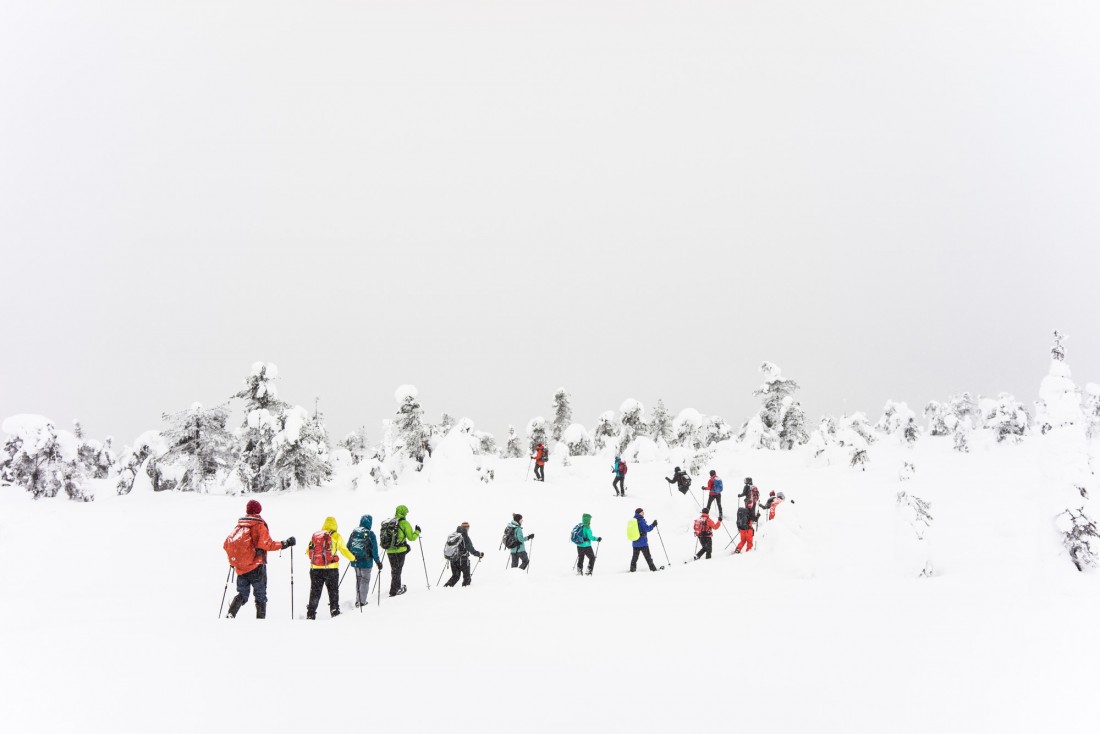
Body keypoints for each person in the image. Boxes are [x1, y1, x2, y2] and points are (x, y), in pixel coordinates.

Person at [223, 499, 295, 619]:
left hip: (241, 567)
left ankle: (231, 614)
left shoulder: (240, 525)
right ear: (258, 510)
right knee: (260, 595)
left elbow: (226, 545)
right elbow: (267, 544)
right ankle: (260, 622)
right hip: (257, 566)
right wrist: (285, 544)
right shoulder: (259, 524)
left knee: (242, 594)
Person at [305, 516, 356, 620]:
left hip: (315, 569)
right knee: (333, 591)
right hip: (331, 569)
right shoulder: (336, 536)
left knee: (315, 592)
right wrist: (353, 558)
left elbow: (308, 552)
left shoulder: (316, 536)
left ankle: (311, 613)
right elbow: (344, 550)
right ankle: (334, 611)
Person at [385, 504, 421, 597]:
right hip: (399, 550)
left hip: (389, 550)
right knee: (397, 570)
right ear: (404, 513)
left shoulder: (390, 522)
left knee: (394, 569)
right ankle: (394, 590)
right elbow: (411, 538)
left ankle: (396, 587)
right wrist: (417, 531)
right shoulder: (404, 523)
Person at [348, 514, 383, 607]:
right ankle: (361, 601)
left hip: (355, 561)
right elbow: (374, 550)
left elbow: (348, 546)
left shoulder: (354, 532)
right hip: (366, 562)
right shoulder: (370, 534)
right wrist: (378, 562)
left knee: (359, 579)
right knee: (365, 580)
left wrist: (352, 557)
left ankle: (358, 600)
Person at [443, 522, 485, 587]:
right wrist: (479, 554)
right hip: (463, 560)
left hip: (453, 559)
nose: (468, 529)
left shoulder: (454, 534)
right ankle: (465, 593)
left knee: (455, 577)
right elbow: (471, 549)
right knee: (467, 578)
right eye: (467, 528)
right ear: (466, 528)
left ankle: (445, 588)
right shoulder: (465, 537)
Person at [629, 508, 660, 572]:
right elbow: (647, 529)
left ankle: (632, 569)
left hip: (635, 543)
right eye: (642, 512)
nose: (643, 513)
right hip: (643, 543)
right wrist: (653, 524)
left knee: (634, 558)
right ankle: (653, 569)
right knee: (648, 557)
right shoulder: (641, 521)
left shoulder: (633, 520)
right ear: (639, 513)